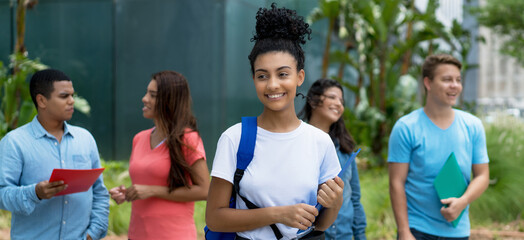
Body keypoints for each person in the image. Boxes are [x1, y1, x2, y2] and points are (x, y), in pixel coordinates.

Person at [205, 3, 344, 240]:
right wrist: (278, 214)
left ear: (299, 77)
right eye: (262, 75)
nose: (272, 85)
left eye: (282, 74)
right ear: (253, 79)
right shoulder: (234, 138)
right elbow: (214, 217)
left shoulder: (320, 141)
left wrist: (335, 202)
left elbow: (321, 225)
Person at [388, 54, 490, 240]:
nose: (455, 86)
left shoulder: (473, 126)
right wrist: (404, 231)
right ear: (428, 83)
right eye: (447, 80)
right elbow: (396, 182)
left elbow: (482, 175)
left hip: (458, 231)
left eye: (458, 80)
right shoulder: (406, 127)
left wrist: (463, 201)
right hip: (416, 230)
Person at [0, 69, 109, 240]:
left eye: (72, 95)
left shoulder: (85, 139)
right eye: (64, 96)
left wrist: (92, 234)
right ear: (42, 100)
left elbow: (100, 193)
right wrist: (35, 193)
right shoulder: (14, 142)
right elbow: (2, 194)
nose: (72, 101)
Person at [109, 70, 209, 239]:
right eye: (147, 93)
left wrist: (152, 190)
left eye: (153, 95)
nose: (144, 98)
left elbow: (205, 190)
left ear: (170, 101)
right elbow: (145, 185)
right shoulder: (139, 138)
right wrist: (127, 193)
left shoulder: (188, 139)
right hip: (137, 234)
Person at [300, 78, 367, 240]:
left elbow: (355, 199)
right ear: (314, 101)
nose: (338, 104)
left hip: (343, 235)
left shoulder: (345, 149)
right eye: (332, 97)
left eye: (341, 101)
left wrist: (360, 235)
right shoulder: (297, 144)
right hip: (311, 235)